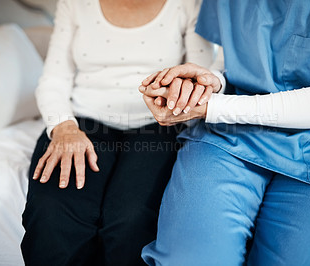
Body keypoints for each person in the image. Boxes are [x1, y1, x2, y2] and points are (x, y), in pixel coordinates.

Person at [139, 0, 310, 265]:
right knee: (187, 258)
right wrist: (210, 83)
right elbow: (231, 58)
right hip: (230, 135)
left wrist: (214, 106)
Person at [20, 0, 214, 265]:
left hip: (158, 124)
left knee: (131, 221)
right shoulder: (74, 3)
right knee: (51, 217)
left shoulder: (189, 4)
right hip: (81, 124)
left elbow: (201, 77)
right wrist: (64, 127)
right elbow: (54, 79)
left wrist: (176, 95)